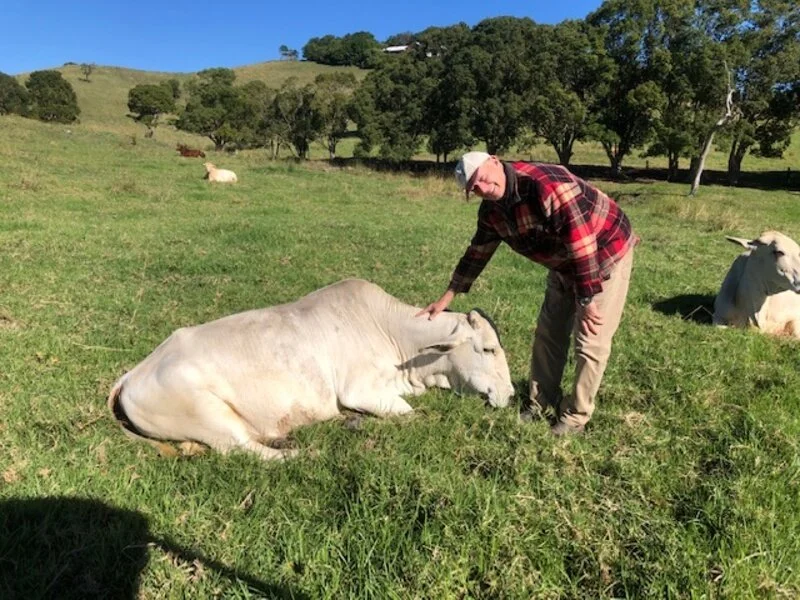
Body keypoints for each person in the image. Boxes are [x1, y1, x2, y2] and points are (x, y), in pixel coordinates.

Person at [417, 152, 637, 436]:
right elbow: (477, 253)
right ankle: (540, 402)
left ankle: (575, 416)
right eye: (474, 188)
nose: (482, 187)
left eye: (482, 177)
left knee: (589, 339)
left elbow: (581, 243)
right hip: (563, 262)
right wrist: (447, 297)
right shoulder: (492, 211)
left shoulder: (545, 185)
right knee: (549, 331)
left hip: (605, 251)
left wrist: (587, 299)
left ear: (495, 161)